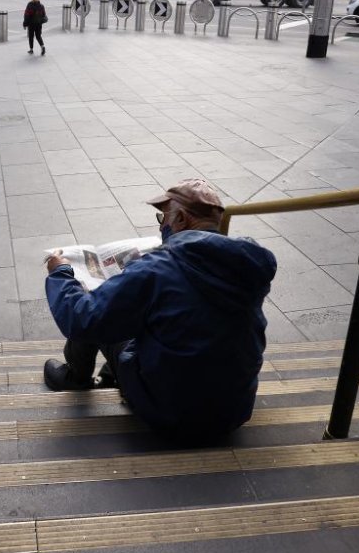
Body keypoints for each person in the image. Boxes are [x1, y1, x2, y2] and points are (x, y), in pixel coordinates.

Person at [42, 178, 276, 442]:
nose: (162, 224)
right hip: (233, 410)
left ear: (181, 220)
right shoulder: (248, 263)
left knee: (96, 304)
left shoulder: (157, 269)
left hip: (170, 414)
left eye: (163, 218)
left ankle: (76, 378)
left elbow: (81, 318)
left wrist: (61, 273)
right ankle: (112, 375)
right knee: (167, 313)